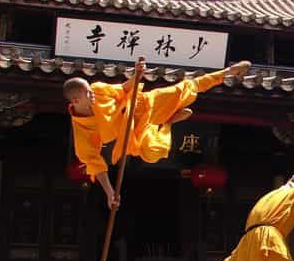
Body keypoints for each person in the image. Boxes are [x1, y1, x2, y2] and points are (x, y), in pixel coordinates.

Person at [64, 57, 251, 210]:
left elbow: (123, 90)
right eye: (88, 94)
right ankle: (168, 121)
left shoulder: (97, 88)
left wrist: (137, 75)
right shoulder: (82, 131)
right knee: (153, 152)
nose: (93, 95)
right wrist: (110, 193)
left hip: (143, 104)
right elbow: (96, 165)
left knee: (184, 87)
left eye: (90, 91)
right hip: (134, 134)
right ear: (76, 99)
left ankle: (228, 72)